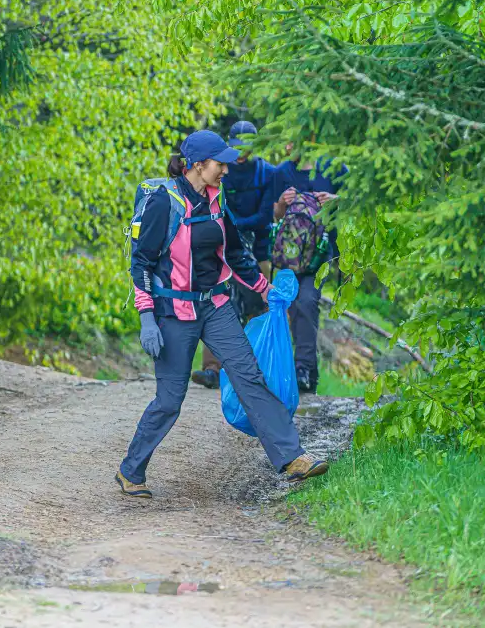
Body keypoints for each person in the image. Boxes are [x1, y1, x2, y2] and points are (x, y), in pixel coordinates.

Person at [117, 130, 329, 498]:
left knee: (249, 375)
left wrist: (265, 289)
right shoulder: (164, 203)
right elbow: (142, 263)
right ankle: (130, 470)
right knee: (170, 400)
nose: (226, 170)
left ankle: (292, 457)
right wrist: (147, 318)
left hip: (214, 306)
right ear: (198, 165)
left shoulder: (216, 198)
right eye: (220, 164)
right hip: (173, 311)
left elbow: (234, 252)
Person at [190, 120, 276, 390]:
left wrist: (234, 226)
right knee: (217, 301)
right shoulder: (220, 172)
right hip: (222, 247)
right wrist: (225, 229)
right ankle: (212, 369)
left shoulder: (266, 173)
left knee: (257, 307)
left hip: (258, 249)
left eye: (247, 147)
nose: (241, 153)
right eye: (237, 148)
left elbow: (265, 215)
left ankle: (257, 368)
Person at [272, 148, 347, 393]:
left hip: (319, 255)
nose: (288, 147)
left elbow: (356, 203)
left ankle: (302, 368)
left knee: (306, 300)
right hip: (290, 256)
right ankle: (307, 374)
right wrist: (282, 203)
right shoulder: (282, 172)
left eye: (293, 142)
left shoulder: (333, 169)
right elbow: (275, 216)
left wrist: (336, 200)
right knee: (295, 305)